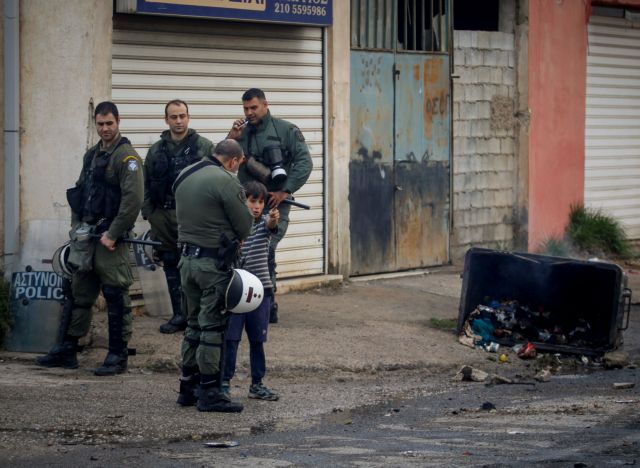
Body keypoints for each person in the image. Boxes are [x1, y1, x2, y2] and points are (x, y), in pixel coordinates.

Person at [36, 101, 144, 376]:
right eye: (100, 124)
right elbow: (81, 192)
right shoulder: (92, 155)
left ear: (118, 122)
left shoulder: (127, 158)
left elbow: (132, 201)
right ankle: (68, 349)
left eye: (109, 123)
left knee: (115, 294)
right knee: (79, 292)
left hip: (110, 239)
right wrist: (77, 229)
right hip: (88, 237)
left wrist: (114, 233)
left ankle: (118, 355)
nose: (105, 128)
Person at [174, 139, 254, 413]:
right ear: (233, 160)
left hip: (186, 262)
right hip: (212, 266)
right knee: (212, 328)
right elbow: (245, 226)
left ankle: (188, 388)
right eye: (238, 164)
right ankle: (210, 393)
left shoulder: (185, 174)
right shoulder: (226, 181)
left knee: (193, 325)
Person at [227, 88, 313, 324]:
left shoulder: (286, 130)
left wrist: (285, 190)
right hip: (245, 203)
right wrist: (232, 136)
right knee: (240, 250)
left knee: (267, 248)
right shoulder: (241, 132)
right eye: (245, 108)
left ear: (266, 105)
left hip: (275, 201)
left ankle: (267, 302)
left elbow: (305, 163)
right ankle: (244, 299)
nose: (249, 112)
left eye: (254, 107)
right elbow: (222, 158)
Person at [142, 99, 214, 334]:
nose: (179, 121)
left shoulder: (203, 146)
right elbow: (145, 183)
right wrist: (150, 214)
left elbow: (217, 178)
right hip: (163, 215)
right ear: (166, 120)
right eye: (174, 117)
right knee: (171, 265)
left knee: (195, 265)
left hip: (193, 215)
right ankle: (179, 315)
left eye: (182, 116)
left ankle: (197, 316)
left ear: (188, 117)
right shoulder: (155, 150)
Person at [223, 180, 280, 402]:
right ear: (242, 201)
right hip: (236, 293)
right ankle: (224, 383)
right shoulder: (233, 227)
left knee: (257, 340)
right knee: (231, 340)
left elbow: (271, 225)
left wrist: (273, 220)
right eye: (252, 201)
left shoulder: (264, 226)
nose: (256, 206)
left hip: (261, 292)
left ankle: (257, 384)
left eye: (260, 202)